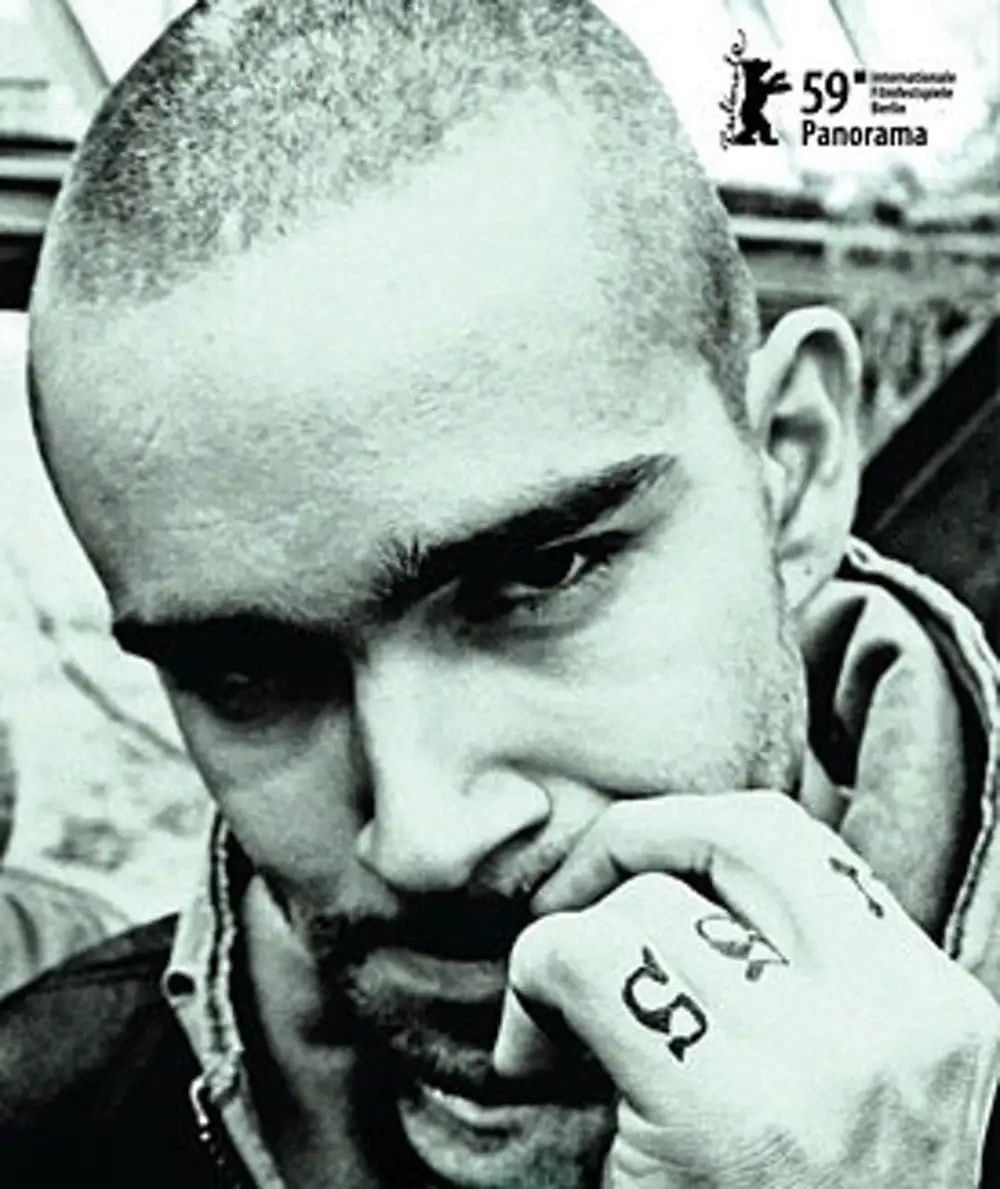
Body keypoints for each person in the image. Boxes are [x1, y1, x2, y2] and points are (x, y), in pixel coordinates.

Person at [2, 2, 999, 1186]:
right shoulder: (49, 1125)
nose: (425, 837)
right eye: (246, 672)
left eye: (536, 577)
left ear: (791, 466)